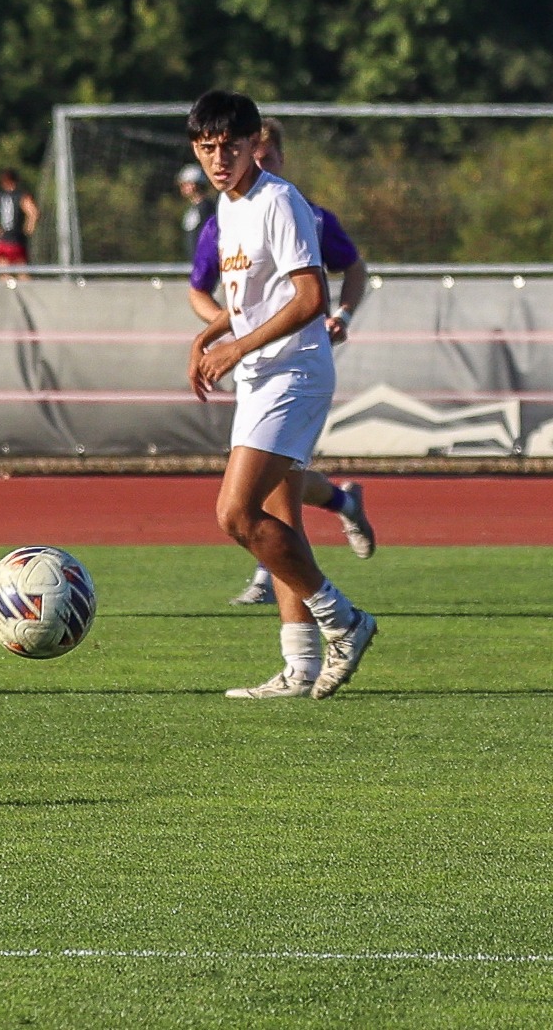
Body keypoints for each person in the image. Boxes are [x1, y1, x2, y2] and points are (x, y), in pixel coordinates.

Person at [184, 88, 377, 700]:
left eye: (230, 147)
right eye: (208, 147)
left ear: (253, 146)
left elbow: (310, 299)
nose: (219, 159)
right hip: (263, 373)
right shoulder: (229, 208)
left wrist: (235, 348)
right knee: (280, 517)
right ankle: (300, 667)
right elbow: (250, 299)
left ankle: (343, 619)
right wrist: (210, 334)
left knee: (234, 515)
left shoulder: (279, 202)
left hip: (293, 372)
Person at [0, 169, 39, 271]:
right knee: (22, 272)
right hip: (16, 240)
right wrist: (28, 229)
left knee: (4, 273)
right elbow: (33, 213)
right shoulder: (21, 195)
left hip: (0, 241)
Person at [178, 163, 214, 259]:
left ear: (194, 185)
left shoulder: (207, 208)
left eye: (185, 184)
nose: (182, 188)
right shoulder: (193, 208)